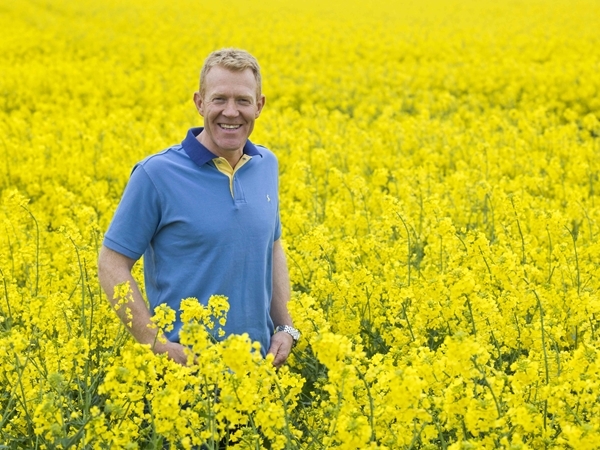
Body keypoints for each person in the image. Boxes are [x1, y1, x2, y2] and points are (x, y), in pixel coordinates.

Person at [97, 48, 299, 368]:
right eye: (219, 99)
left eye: (243, 100)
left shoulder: (266, 164)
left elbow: (271, 248)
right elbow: (111, 263)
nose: (230, 112)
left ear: (259, 106)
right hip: (187, 378)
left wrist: (286, 327)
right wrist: (155, 342)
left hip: (260, 372)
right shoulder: (156, 174)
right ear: (199, 102)